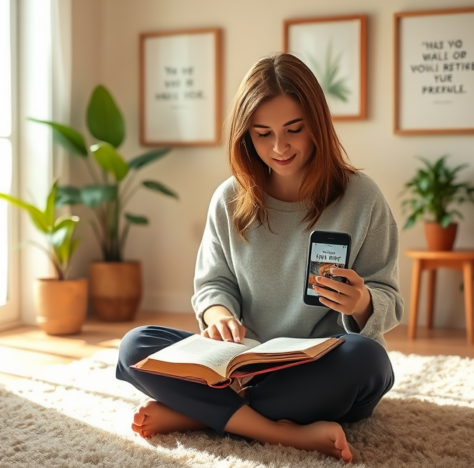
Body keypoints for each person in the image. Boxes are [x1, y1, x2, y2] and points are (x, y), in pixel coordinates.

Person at [116, 52, 402, 463]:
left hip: (317, 369)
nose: (279, 147)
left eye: (294, 130)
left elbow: (389, 297)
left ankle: (202, 413)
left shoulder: (362, 197)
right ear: (245, 134)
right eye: (262, 133)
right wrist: (218, 316)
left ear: (317, 124)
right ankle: (276, 430)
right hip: (240, 364)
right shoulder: (229, 198)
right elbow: (213, 284)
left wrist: (362, 303)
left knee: (368, 361)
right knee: (136, 346)